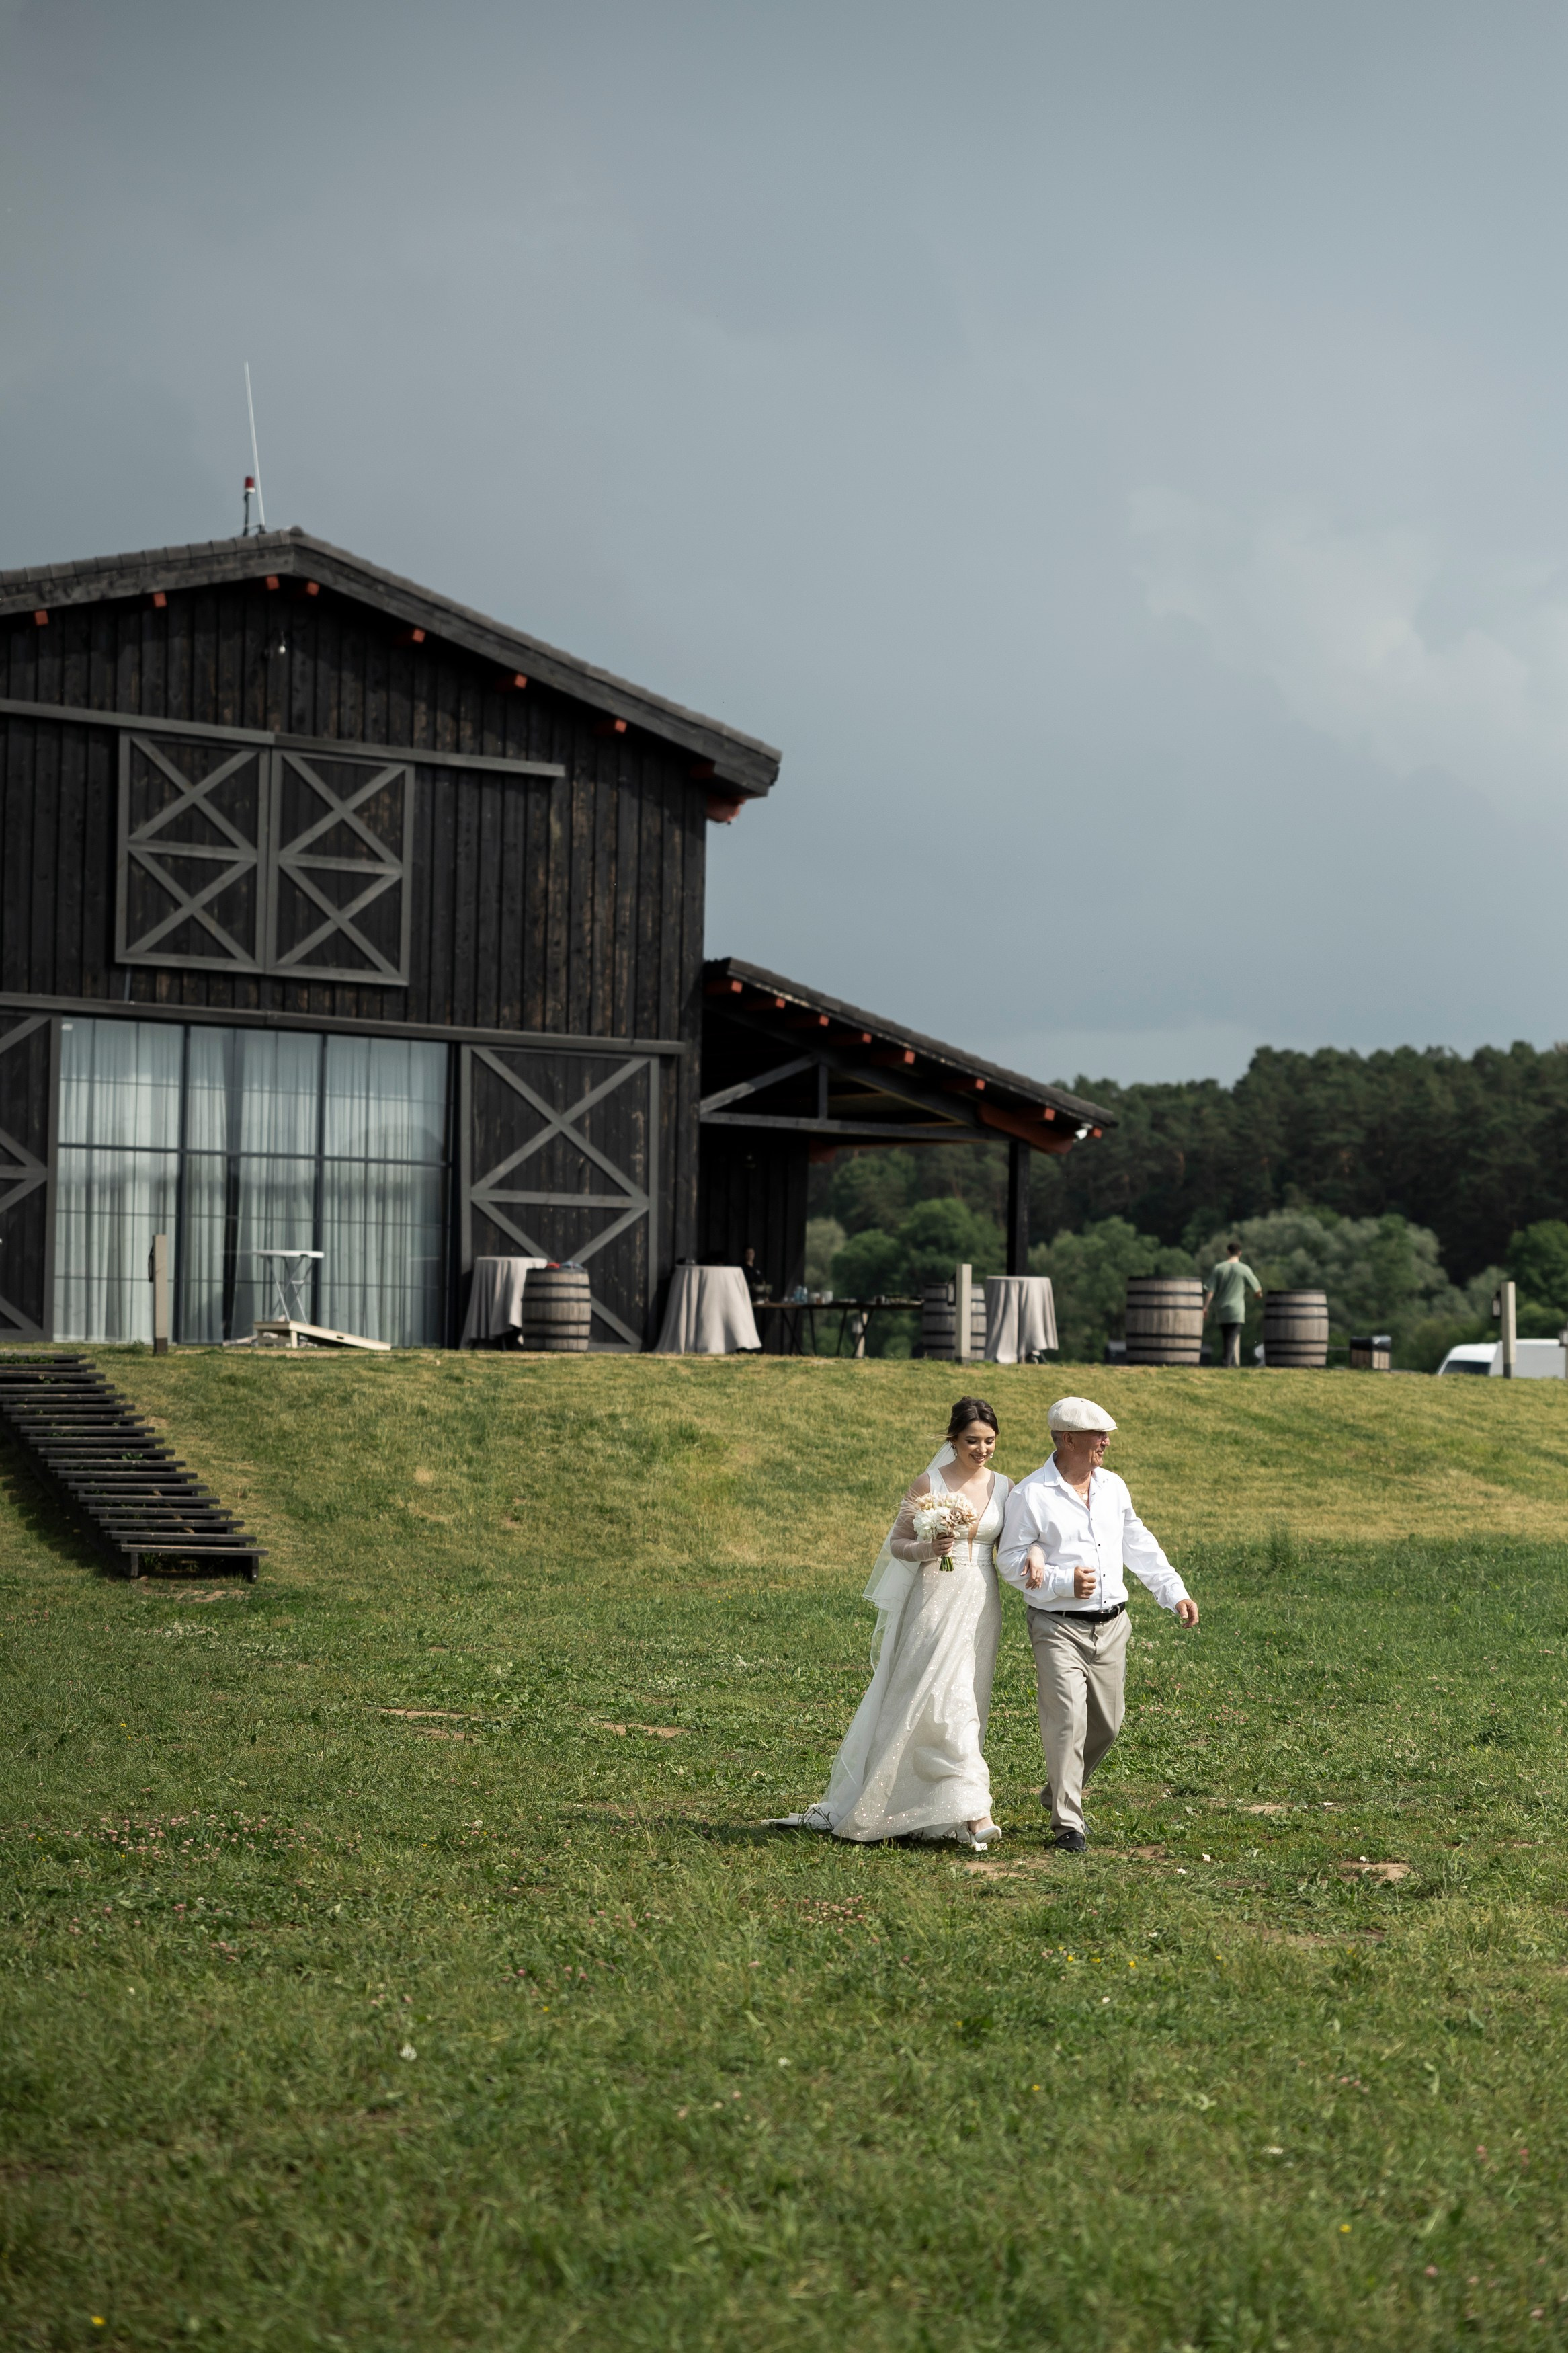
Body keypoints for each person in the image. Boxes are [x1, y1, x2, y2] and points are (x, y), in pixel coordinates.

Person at [790, 1397, 1013, 1851]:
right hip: (932, 1597)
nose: (982, 1449)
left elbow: (1011, 1547)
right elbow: (897, 1543)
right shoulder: (928, 1482)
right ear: (952, 1439)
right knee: (938, 1696)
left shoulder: (1007, 1487)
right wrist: (927, 1550)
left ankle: (934, 1804)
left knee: (967, 1695)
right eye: (972, 1440)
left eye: (989, 1441)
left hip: (980, 1601)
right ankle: (975, 1814)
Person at [997, 1396, 1198, 1855]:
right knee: (1067, 1721)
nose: (1106, 1442)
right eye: (1097, 1435)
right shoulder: (1031, 1494)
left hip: (1113, 1626)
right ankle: (1068, 1823)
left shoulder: (1112, 1487)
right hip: (1055, 1626)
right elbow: (1010, 1562)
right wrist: (1063, 1581)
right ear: (1068, 1438)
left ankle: (1057, 1789)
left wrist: (1174, 1592)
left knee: (1107, 1725)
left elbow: (1138, 1543)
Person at [1204, 1240, 1262, 1367]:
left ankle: (1233, 1364)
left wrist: (1205, 1307)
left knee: (1228, 1337)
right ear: (1240, 1253)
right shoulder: (1244, 1269)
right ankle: (1226, 1363)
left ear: (1227, 1252)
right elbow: (1258, 1290)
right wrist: (1257, 1296)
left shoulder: (1219, 1268)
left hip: (1222, 1309)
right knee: (1231, 1338)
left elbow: (1211, 1290)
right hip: (1237, 1310)